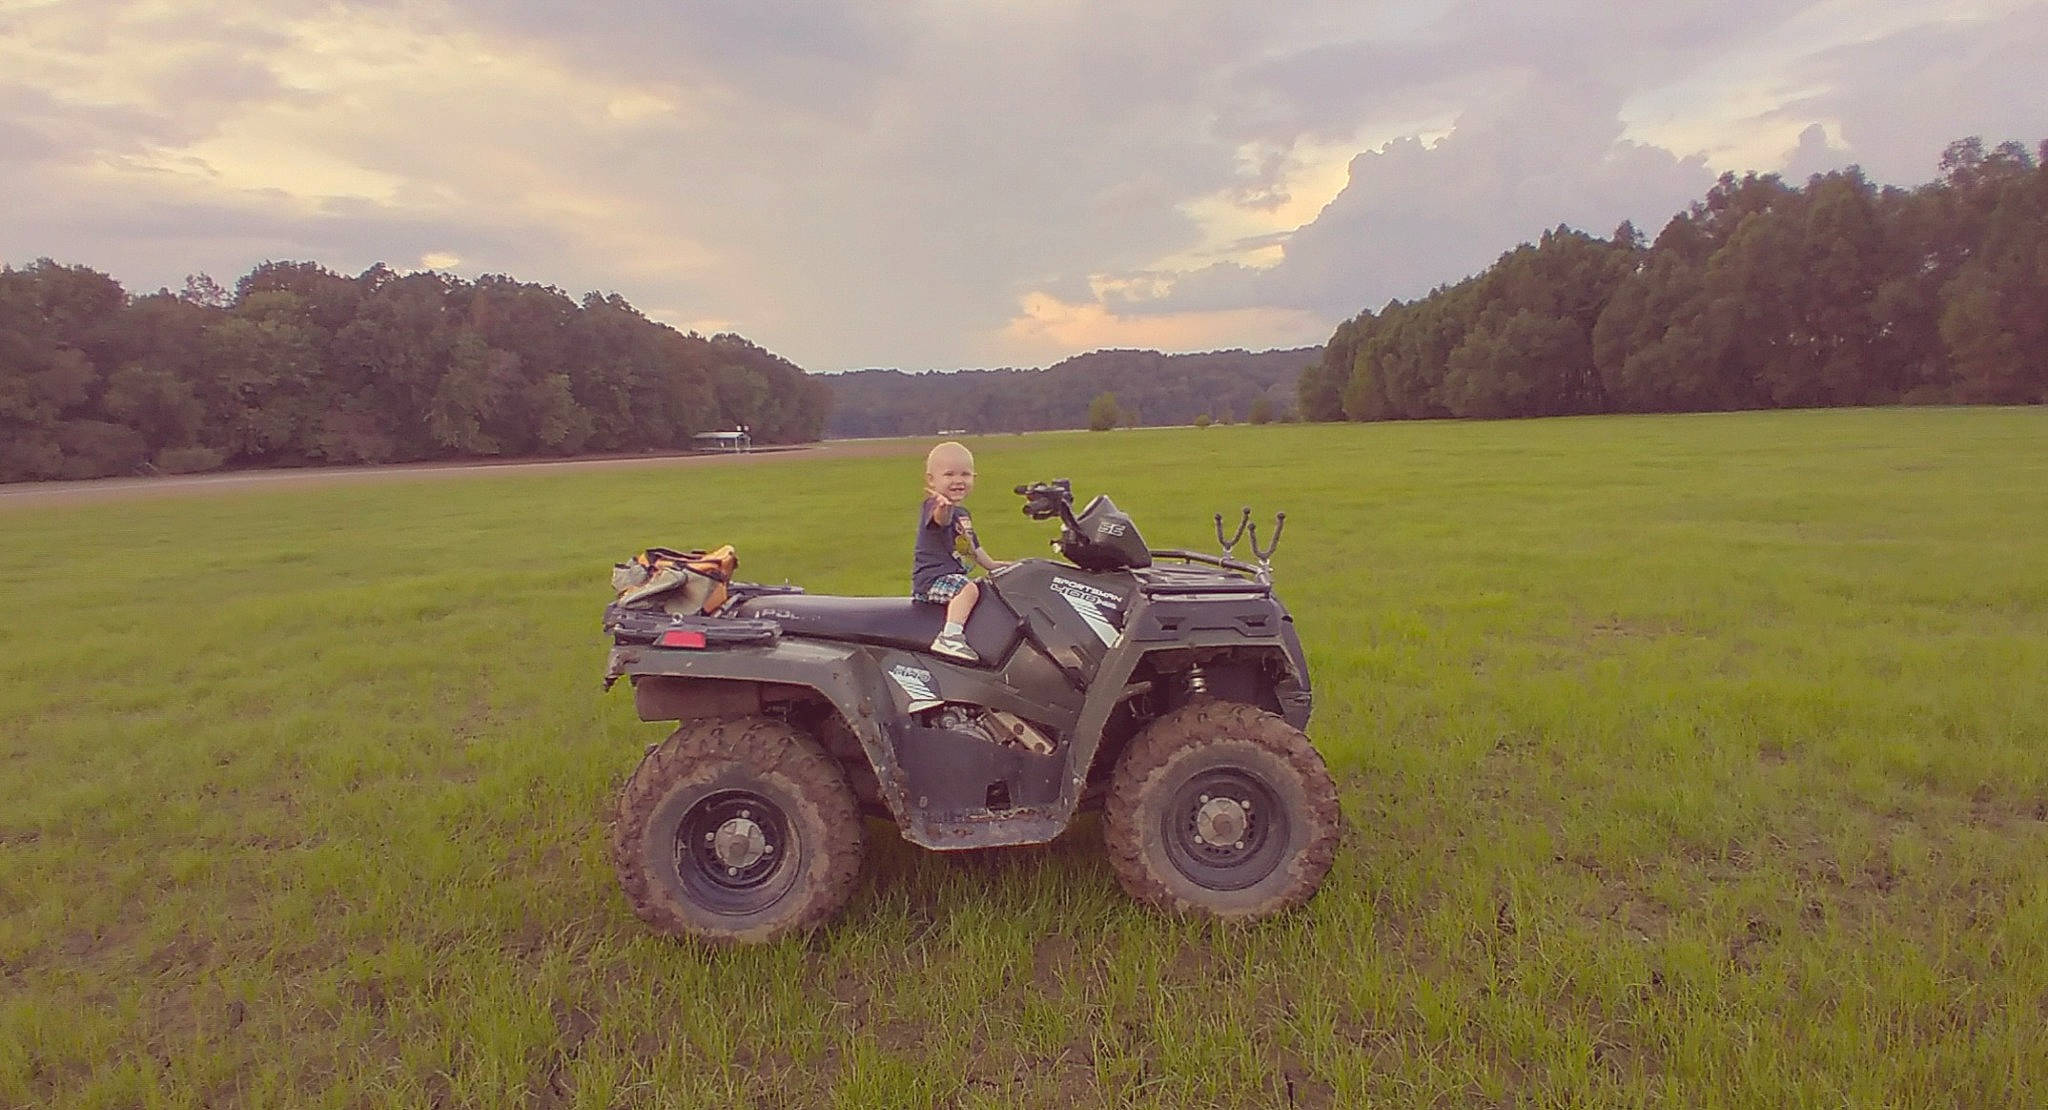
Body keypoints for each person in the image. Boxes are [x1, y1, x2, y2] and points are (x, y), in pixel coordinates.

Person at [912, 441, 1005, 662]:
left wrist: (999, 566)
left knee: (988, 588)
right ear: (931, 480)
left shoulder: (963, 514)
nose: (958, 480)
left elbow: (974, 550)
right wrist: (944, 508)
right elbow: (940, 521)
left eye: (965, 474)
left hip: (953, 576)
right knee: (969, 590)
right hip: (932, 580)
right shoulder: (934, 506)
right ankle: (949, 637)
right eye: (949, 474)